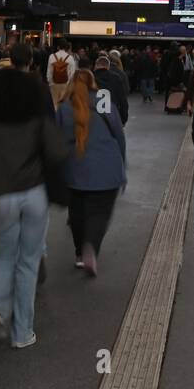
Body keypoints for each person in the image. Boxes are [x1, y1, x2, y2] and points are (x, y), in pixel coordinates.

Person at [0, 43, 67, 349]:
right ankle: (22, 333)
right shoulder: (36, 119)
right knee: (28, 262)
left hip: (2, 195)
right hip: (34, 194)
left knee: (4, 258)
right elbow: (57, 152)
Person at [56, 69, 125, 277]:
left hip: (75, 169)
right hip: (107, 169)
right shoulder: (104, 101)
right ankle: (91, 248)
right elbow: (119, 136)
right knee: (100, 213)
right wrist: (121, 163)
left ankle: (79, 254)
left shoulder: (65, 107)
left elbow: (56, 140)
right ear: (93, 83)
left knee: (77, 213)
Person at [92, 53, 130, 125]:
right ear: (108, 66)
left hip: (94, 118)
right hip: (113, 116)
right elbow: (123, 100)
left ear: (96, 65)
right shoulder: (116, 78)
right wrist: (123, 119)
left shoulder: (90, 78)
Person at [47, 37, 77, 108]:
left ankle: (55, 118)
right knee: (64, 106)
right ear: (66, 47)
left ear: (58, 47)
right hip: (66, 85)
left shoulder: (52, 56)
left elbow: (49, 72)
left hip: (54, 84)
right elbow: (72, 74)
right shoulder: (70, 58)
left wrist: (50, 83)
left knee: (54, 105)